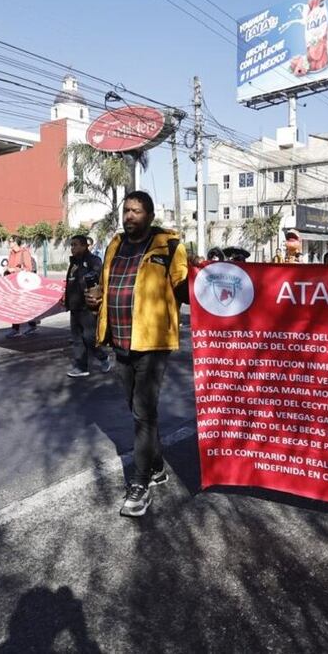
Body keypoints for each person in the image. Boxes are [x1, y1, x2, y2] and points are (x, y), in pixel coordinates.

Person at [86, 191, 188, 518]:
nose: (130, 216)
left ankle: (140, 483)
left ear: (150, 214)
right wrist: (96, 296)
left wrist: (201, 278)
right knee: (136, 408)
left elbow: (185, 287)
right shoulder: (115, 245)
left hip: (153, 341)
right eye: (126, 210)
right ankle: (157, 467)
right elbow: (107, 283)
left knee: (144, 410)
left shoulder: (169, 246)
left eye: (137, 211)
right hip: (120, 339)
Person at [63, 234, 113, 378]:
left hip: (88, 307)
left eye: (75, 245)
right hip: (74, 306)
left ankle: (103, 357)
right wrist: (65, 298)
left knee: (89, 338)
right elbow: (71, 282)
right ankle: (81, 367)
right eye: (71, 245)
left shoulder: (93, 260)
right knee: (77, 338)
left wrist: (90, 281)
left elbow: (98, 276)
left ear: (84, 246)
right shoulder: (74, 263)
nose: (72, 248)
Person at [5, 236, 38, 338]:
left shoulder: (24, 253)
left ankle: (17, 329)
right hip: (14, 282)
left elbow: (29, 269)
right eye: (9, 241)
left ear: (16, 243)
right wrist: (8, 270)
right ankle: (30, 325)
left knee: (21, 305)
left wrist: (14, 270)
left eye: (10, 241)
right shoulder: (11, 253)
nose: (9, 243)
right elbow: (10, 266)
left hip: (23, 282)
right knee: (17, 305)